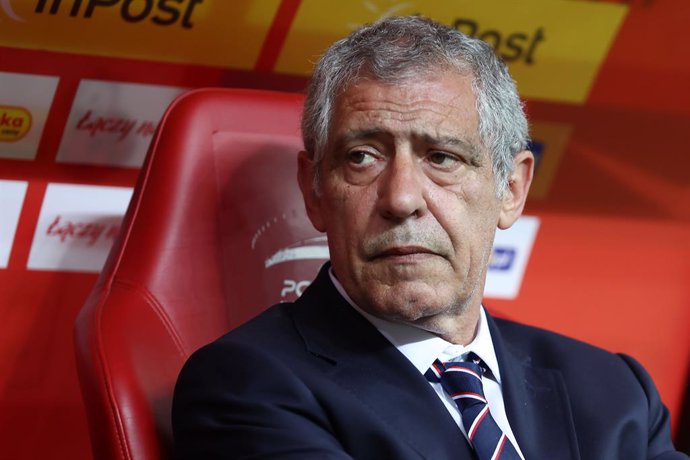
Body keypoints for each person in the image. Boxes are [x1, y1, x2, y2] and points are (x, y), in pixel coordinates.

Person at [173, 16, 687, 459]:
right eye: (362, 157)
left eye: (442, 157)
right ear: (314, 191)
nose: (400, 198)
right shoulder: (247, 386)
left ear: (510, 188)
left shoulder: (615, 392)